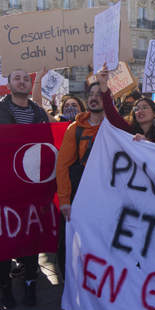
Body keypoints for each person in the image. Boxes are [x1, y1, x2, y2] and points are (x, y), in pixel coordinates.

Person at [0, 69, 50, 309]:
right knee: (4, 240)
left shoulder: (39, 113)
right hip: (2, 187)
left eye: (25, 79)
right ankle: (5, 289)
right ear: (8, 84)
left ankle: (31, 284)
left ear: (30, 85)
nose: (21, 81)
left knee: (30, 237)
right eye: (17, 78)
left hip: (30, 187)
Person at [55, 75, 108, 276]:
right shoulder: (74, 129)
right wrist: (65, 201)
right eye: (91, 95)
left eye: (99, 95)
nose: (94, 98)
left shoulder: (114, 127)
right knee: (69, 245)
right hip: (78, 198)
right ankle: (70, 282)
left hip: (105, 199)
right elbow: (63, 167)